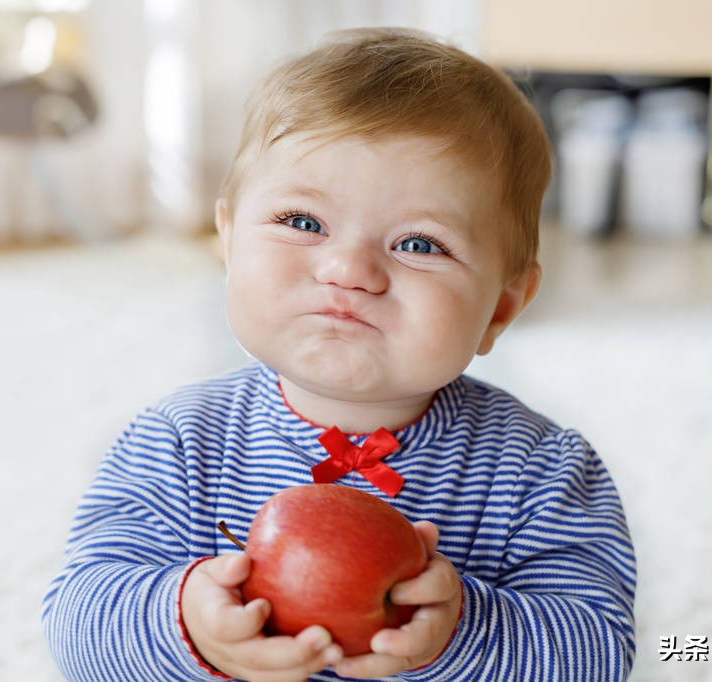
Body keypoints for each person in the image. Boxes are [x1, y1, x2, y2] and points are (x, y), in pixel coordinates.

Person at [42, 27, 636, 681]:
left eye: (418, 244)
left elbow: (598, 654)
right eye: (303, 223)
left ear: (499, 307)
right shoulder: (179, 444)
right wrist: (186, 621)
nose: (348, 269)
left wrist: (461, 631)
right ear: (230, 241)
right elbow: (77, 624)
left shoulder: (541, 472)